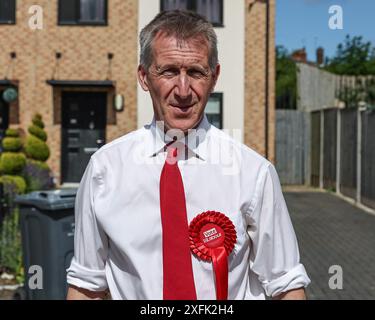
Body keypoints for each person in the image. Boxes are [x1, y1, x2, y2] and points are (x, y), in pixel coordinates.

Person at [66, 10, 310, 300]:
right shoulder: (104, 169)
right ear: (144, 77)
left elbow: (286, 284)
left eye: (195, 72)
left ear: (214, 77)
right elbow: (86, 284)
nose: (183, 90)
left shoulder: (253, 172)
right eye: (168, 71)